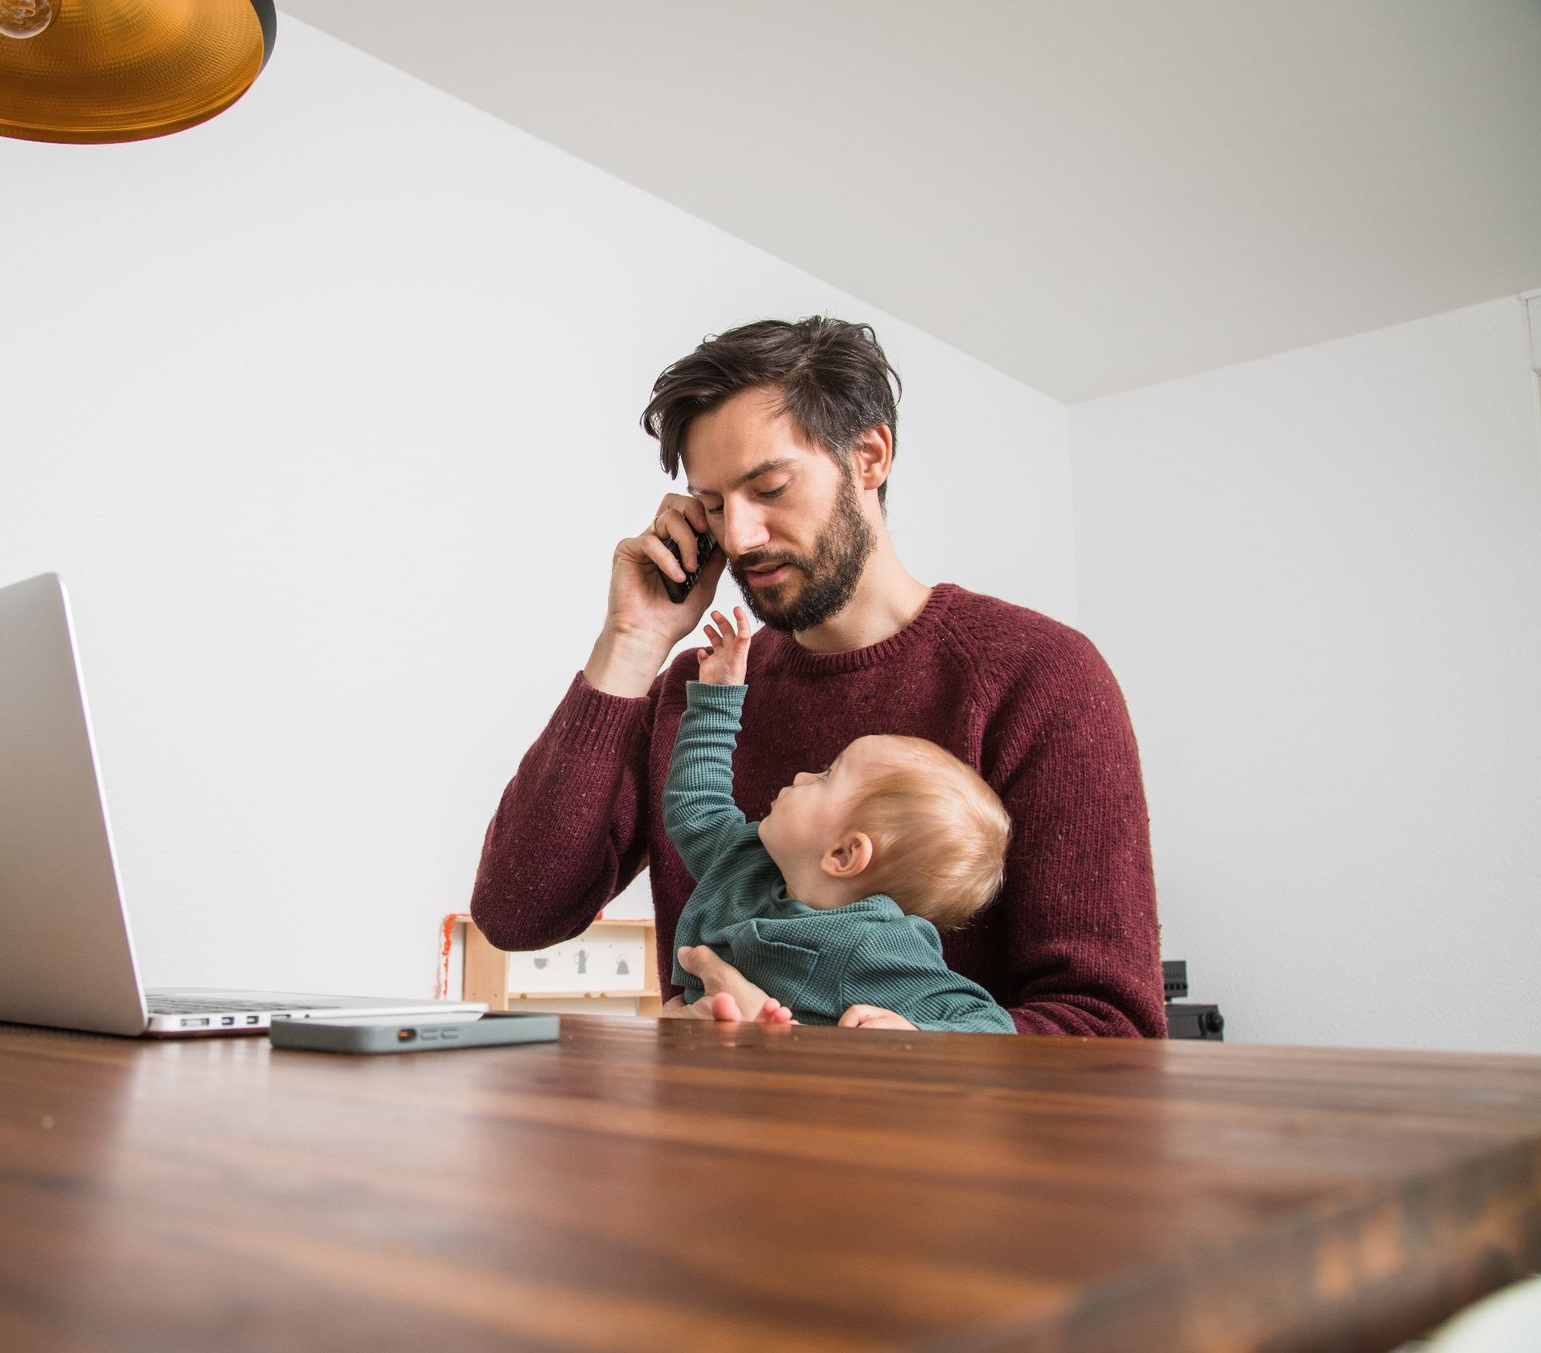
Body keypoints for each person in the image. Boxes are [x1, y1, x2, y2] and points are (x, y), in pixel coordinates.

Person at [470, 316, 1165, 1036]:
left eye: (768, 487)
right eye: (712, 506)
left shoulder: (1041, 677)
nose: (738, 537)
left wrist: (829, 1051)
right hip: (706, 1140)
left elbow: (1113, 1030)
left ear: (869, 456)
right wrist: (631, 643)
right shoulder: (700, 689)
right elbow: (517, 913)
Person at [660, 606, 1014, 1031]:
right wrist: (716, 699)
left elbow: (990, 1026)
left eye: (826, 775)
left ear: (845, 854)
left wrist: (914, 1038)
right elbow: (696, 806)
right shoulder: (747, 863)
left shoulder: (873, 947)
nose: (802, 775)